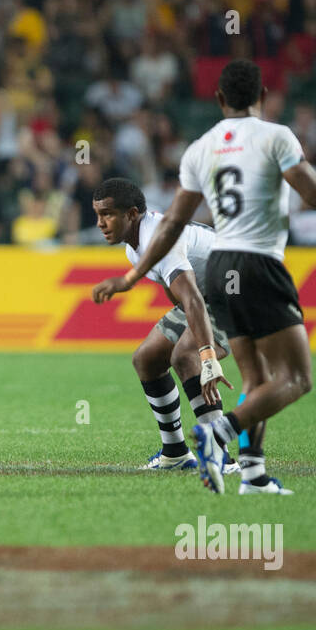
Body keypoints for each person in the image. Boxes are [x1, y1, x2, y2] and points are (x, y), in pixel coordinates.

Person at [116, 59, 316, 494]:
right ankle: (218, 435)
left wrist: (134, 273)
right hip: (259, 265)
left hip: (222, 264)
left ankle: (253, 475)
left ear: (218, 99)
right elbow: (315, 194)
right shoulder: (276, 136)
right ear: (263, 97)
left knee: (254, 380)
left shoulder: (200, 148)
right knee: (296, 378)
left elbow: (176, 220)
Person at [89, 177, 240, 474]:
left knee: (186, 355)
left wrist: (207, 356)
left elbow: (192, 297)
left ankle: (221, 457)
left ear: (132, 214)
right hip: (207, 295)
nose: (99, 223)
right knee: (147, 359)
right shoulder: (134, 247)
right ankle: (175, 453)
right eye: (97, 214)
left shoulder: (159, 239)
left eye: (107, 214)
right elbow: (184, 297)